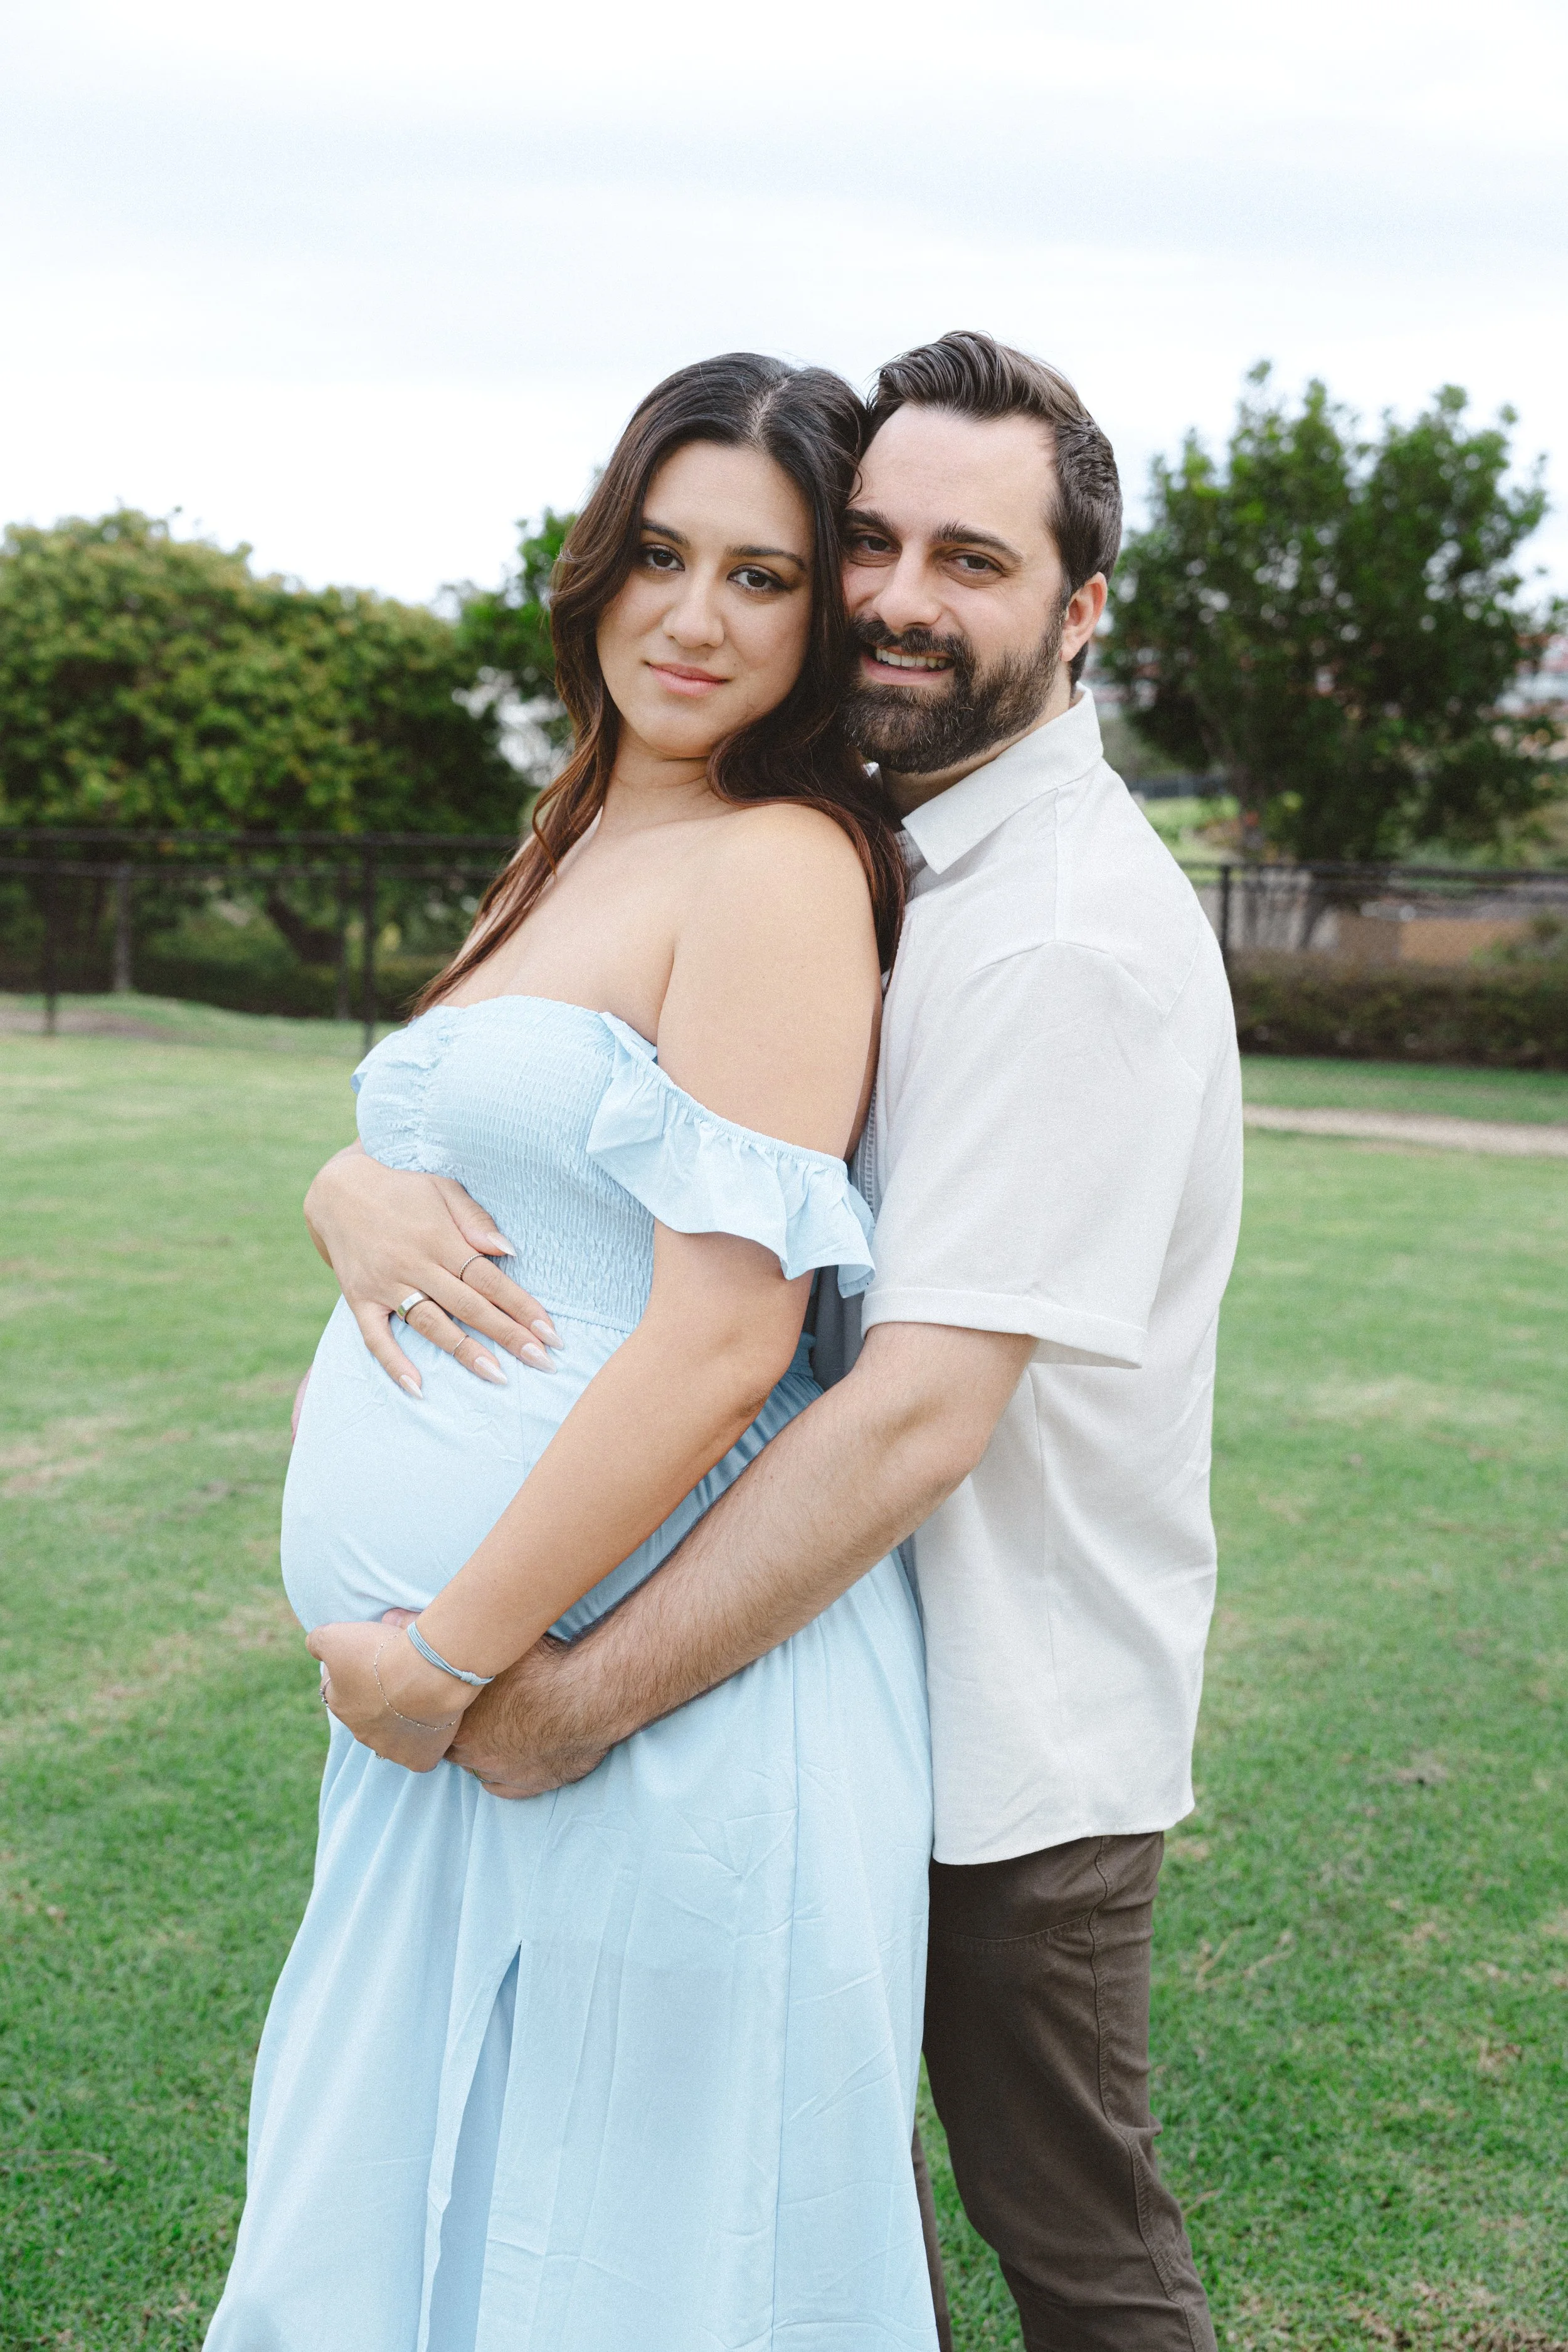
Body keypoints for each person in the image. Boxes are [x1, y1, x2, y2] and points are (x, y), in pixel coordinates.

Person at [305, 332, 1245, 2352]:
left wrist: (549, 1690)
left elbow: (906, 1411)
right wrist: (347, 1187)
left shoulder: (1058, 925)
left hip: (1009, 1700)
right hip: (784, 1652)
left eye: (973, 562)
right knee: (786, 2223)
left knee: (1071, 2246)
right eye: (877, 545)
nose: (903, 598)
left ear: (1081, 608)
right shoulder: (882, 845)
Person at [206, 352, 953, 2352]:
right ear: (594, 564)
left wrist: (456, 1656)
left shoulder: (777, 863)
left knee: (614, 2272)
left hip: (634, 1703)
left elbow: (727, 1334)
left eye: (763, 577)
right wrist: (336, 1186)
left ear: (821, 623)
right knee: (401, 2230)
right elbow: (487, 1152)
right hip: (454, 1693)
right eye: (658, 552)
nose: (692, 617)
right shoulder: (577, 827)